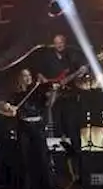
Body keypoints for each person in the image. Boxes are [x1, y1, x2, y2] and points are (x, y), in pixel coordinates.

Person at [33, 34, 87, 181]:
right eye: (56, 43)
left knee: (73, 135)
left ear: (65, 42)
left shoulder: (73, 56)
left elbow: (82, 70)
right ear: (53, 44)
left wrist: (83, 70)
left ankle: (78, 173)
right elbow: (38, 73)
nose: (59, 45)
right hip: (55, 100)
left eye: (61, 42)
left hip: (70, 100)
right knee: (57, 134)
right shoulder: (47, 58)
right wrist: (43, 79)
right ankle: (61, 173)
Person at [3, 69, 52, 189]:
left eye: (29, 75)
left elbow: (48, 101)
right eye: (24, 76)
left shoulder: (38, 92)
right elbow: (9, 112)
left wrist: (49, 87)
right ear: (20, 78)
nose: (28, 78)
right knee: (25, 161)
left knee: (43, 159)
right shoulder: (15, 95)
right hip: (24, 128)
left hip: (38, 128)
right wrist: (9, 109)